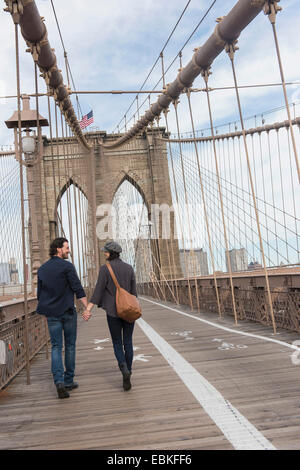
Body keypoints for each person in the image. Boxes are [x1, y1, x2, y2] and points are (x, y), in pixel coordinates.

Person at [37, 237, 89, 399]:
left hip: (52, 314)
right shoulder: (67, 266)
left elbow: (40, 294)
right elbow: (78, 288)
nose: (69, 250)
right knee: (70, 346)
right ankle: (68, 381)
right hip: (67, 312)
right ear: (58, 249)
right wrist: (87, 308)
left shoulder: (42, 269)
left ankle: (58, 382)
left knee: (55, 347)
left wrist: (46, 310)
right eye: (67, 247)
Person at [83, 241, 137, 391]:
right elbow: (134, 293)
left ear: (111, 253)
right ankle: (129, 371)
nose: (104, 253)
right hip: (129, 311)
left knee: (117, 342)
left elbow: (98, 291)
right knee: (128, 342)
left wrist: (88, 309)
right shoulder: (129, 268)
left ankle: (123, 368)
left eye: (105, 251)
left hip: (113, 312)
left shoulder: (105, 269)